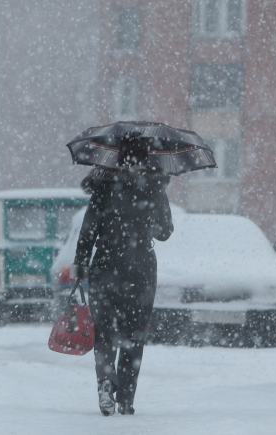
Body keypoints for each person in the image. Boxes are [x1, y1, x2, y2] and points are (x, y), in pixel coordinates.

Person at [70, 136, 173, 416]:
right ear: (146, 156)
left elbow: (88, 230)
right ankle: (126, 398)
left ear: (118, 156)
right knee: (133, 334)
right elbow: (165, 232)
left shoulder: (103, 187)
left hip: (106, 265)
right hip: (140, 268)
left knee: (104, 332)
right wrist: (144, 224)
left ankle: (105, 383)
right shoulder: (154, 187)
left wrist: (80, 265)